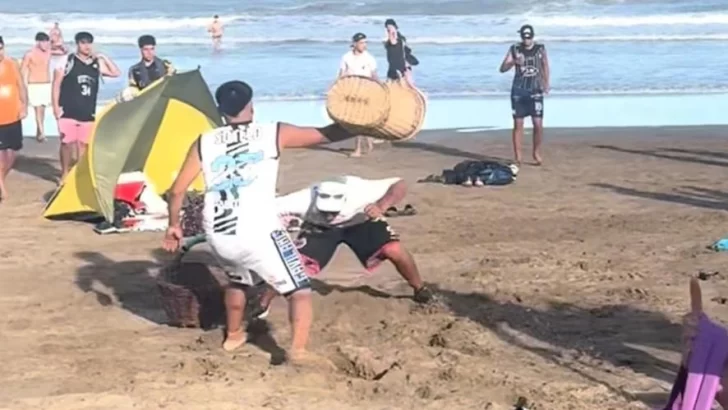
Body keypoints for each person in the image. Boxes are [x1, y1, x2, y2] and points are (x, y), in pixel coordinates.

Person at [162, 80, 373, 363]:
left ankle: (234, 336)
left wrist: (173, 225)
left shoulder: (204, 141)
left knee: (238, 281)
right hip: (258, 230)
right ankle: (297, 352)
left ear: (220, 110)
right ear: (251, 105)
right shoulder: (273, 132)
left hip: (219, 230)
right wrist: (360, 121)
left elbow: (177, 190)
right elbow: (327, 135)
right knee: (299, 290)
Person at [249, 175, 433, 318]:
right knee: (295, 264)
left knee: (393, 249)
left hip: (361, 221)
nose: (330, 215)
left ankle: (420, 288)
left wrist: (381, 206)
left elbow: (399, 183)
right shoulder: (299, 200)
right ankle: (262, 303)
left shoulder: (361, 191)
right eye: (325, 211)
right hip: (320, 228)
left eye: (333, 212)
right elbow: (263, 214)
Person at [52, 31, 121, 182]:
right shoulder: (67, 61)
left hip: (87, 111)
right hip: (68, 109)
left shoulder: (95, 64)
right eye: (83, 43)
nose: (87, 46)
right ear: (77, 44)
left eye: (89, 43)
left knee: (83, 145)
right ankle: (64, 173)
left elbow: (116, 73)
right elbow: (56, 84)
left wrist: (102, 57)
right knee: (66, 143)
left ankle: (79, 173)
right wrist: (55, 107)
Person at [499, 24, 550, 166]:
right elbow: (502, 68)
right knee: (518, 124)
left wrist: (546, 83)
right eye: (524, 38)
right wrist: (514, 62)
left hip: (535, 89)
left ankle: (536, 152)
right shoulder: (515, 49)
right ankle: (518, 156)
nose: (526, 40)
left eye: (529, 38)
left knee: (538, 124)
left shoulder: (540, 49)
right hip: (519, 91)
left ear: (532, 37)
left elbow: (545, 66)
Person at [338, 32, 378, 158]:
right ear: (354, 44)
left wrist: (381, 88)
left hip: (366, 91)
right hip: (352, 91)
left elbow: (374, 75)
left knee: (361, 120)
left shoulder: (369, 58)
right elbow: (342, 75)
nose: (364, 45)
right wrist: (337, 89)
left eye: (365, 42)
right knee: (355, 121)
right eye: (361, 43)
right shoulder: (346, 57)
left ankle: (359, 149)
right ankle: (366, 143)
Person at [0, 36, 28, 202]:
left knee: (12, 153)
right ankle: (2, 187)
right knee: (1, 154)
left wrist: (24, 105)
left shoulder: (12, 64)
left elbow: (21, 85)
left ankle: (1, 179)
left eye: (1, 48)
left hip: (13, 115)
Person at [21, 32, 52, 142]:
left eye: (47, 41)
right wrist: (23, 86)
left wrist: (56, 32)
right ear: (38, 42)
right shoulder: (29, 54)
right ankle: (42, 132)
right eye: (44, 42)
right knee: (37, 109)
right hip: (34, 84)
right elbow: (23, 70)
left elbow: (64, 50)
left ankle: (39, 131)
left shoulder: (49, 52)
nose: (46, 44)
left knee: (42, 109)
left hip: (46, 83)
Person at [383, 19, 417, 86]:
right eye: (388, 29)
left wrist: (391, 32)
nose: (389, 31)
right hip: (398, 67)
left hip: (398, 68)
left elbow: (393, 42)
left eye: (390, 28)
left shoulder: (396, 39)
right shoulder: (400, 39)